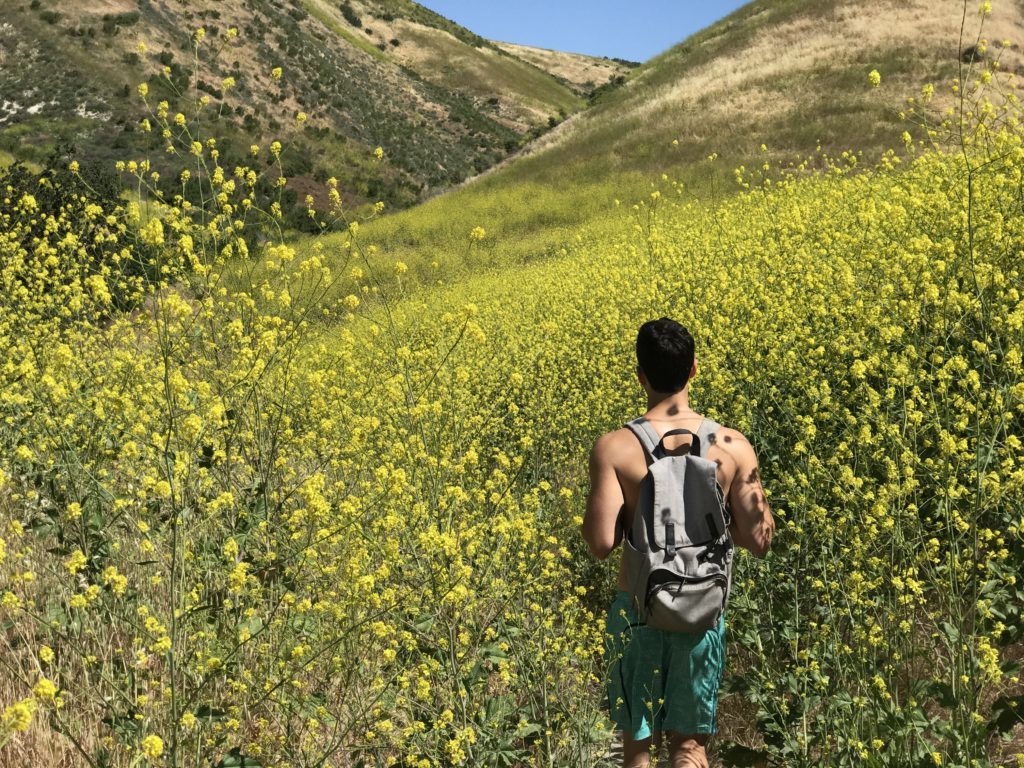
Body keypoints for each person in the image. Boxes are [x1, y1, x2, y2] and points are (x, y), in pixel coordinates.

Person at [582, 318, 774, 768]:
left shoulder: (614, 449)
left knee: (637, 744)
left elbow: (600, 543)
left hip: (637, 611)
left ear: (640, 375)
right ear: (693, 370)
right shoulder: (732, 445)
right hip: (702, 613)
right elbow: (759, 540)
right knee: (690, 747)